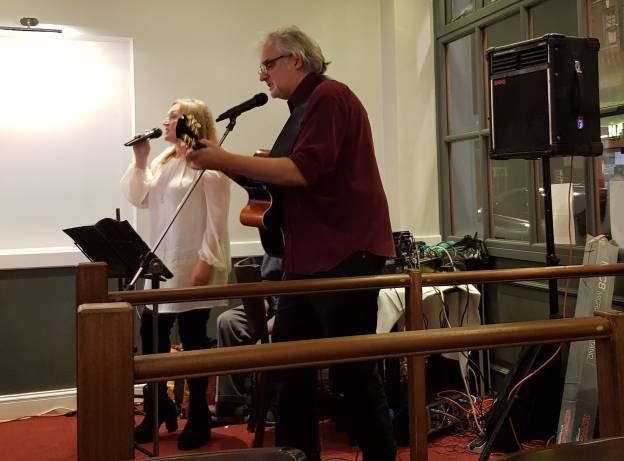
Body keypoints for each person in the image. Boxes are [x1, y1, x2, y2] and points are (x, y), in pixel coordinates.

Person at [188, 27, 397, 461]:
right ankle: (298, 456)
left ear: (295, 60)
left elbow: (303, 171)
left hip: (344, 254)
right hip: (307, 259)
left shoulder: (330, 97)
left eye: (267, 65)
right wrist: (219, 162)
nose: (262, 75)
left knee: (353, 373)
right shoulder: (302, 110)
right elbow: (275, 184)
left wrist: (224, 158)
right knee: (290, 370)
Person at [121, 98, 231, 451]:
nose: (165, 122)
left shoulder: (208, 164)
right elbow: (140, 198)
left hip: (192, 263)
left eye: (173, 117)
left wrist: (206, 262)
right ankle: (158, 407)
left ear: (190, 122)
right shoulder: (165, 160)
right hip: (162, 263)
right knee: (150, 333)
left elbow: (217, 220)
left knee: (193, 338)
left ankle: (198, 416)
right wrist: (141, 159)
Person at [215, 254, 282, 422]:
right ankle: (231, 402)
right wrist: (263, 299)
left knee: (265, 337)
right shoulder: (278, 243)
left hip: (295, 306)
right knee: (228, 321)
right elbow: (268, 278)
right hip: (272, 304)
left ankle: (270, 404)